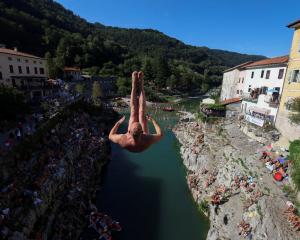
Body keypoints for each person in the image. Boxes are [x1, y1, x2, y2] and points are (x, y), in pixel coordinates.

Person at [109, 71, 163, 152]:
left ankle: (134, 86)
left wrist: (118, 123)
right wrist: (153, 121)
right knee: (141, 113)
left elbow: (110, 136)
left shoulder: (123, 139)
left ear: (129, 131)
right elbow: (160, 134)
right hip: (142, 141)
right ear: (142, 132)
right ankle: (141, 86)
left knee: (133, 110)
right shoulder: (147, 138)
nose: (136, 121)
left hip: (136, 139)